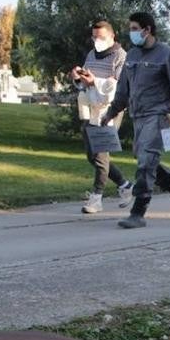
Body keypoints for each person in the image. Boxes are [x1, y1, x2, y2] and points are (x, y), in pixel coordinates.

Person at [101, 12, 170, 229]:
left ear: (147, 29)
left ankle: (138, 212)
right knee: (146, 160)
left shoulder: (166, 55)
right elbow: (123, 90)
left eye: (134, 28)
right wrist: (111, 113)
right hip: (138, 117)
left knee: (145, 163)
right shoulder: (131, 56)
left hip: (158, 116)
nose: (131, 32)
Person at [70, 21, 132, 214]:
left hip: (110, 111)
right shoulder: (91, 54)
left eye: (101, 37)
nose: (97, 41)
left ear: (112, 37)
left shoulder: (120, 56)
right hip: (90, 109)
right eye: (94, 37)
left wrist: (94, 81)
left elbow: (118, 86)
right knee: (93, 156)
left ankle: (96, 198)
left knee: (100, 155)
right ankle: (125, 185)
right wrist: (78, 77)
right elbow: (86, 85)